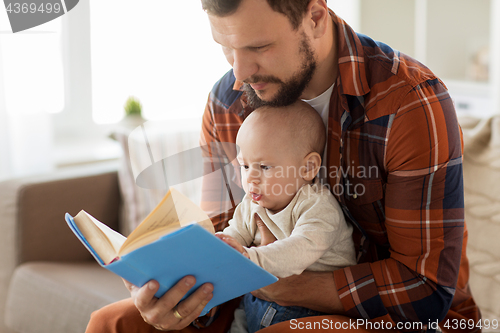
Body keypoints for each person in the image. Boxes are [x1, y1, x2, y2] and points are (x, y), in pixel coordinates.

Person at [85, 0, 481, 332]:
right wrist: (180, 295)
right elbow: (223, 237)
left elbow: (425, 292)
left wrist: (277, 285)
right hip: (257, 295)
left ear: (315, 16)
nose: (239, 73)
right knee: (114, 323)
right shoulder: (228, 102)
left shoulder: (408, 102)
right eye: (226, 47)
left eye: (258, 47)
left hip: (397, 320)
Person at [216, 101, 356, 333]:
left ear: (308, 168)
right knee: (238, 319)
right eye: (245, 166)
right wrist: (220, 246)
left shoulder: (317, 206)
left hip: (310, 309)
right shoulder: (252, 201)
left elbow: (297, 250)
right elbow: (236, 232)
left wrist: (250, 259)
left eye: (264, 166)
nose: (251, 178)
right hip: (255, 302)